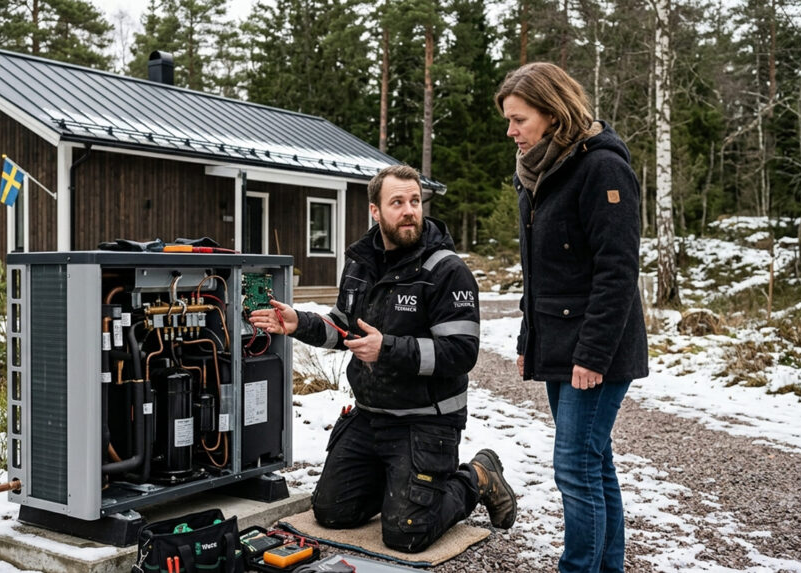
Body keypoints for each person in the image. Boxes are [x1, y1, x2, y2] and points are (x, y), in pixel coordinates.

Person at [249, 165, 517, 553]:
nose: (410, 210)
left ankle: (477, 476)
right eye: (397, 203)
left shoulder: (447, 270)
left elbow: (462, 353)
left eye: (415, 201)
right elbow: (345, 329)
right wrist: (298, 322)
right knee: (331, 512)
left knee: (407, 533)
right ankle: (400, 483)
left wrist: (387, 348)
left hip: (426, 421)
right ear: (375, 211)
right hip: (371, 416)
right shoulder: (361, 263)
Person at [495, 62, 649, 573]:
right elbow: (539, 271)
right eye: (509, 121)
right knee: (593, 462)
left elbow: (618, 269)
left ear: (552, 112)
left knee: (575, 467)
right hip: (559, 340)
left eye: (519, 119)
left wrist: (593, 354)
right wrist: (527, 338)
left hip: (596, 348)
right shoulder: (537, 173)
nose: (512, 131)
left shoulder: (602, 167)